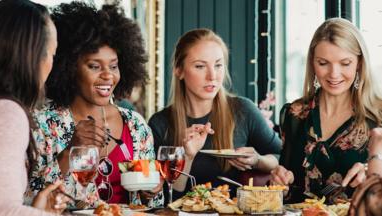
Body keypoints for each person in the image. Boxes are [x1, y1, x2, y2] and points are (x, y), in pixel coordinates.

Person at [25, 1, 163, 207]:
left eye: (114, 66)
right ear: (70, 67)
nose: (108, 75)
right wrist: (71, 151)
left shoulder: (136, 126)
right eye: (94, 66)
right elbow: (29, 201)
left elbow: (153, 205)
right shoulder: (42, 125)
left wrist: (151, 193)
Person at [148, 28, 282, 201]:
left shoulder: (243, 110)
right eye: (200, 66)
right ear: (179, 70)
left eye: (218, 65)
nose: (212, 76)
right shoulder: (160, 124)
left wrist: (257, 160)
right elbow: (167, 195)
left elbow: (280, 157)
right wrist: (187, 156)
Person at [270, 17, 382, 203]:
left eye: (345, 63)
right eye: (323, 63)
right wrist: (280, 183)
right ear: (313, 64)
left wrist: (371, 170)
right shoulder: (294, 114)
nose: (334, 74)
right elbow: (285, 189)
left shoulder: (378, 117)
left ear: (359, 64)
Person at [0, 0, 71, 215]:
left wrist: (33, 210)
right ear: (31, 55)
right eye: (51, 54)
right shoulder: (7, 113)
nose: (51, 64)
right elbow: (3, 210)